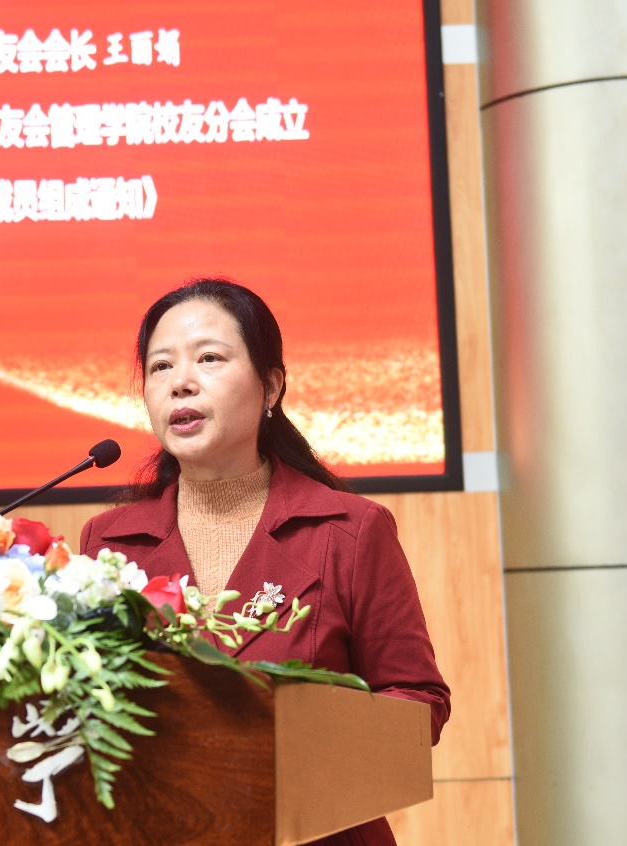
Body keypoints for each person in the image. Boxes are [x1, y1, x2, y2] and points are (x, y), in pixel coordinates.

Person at [78, 279, 451, 846]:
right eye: (160, 366)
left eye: (209, 358)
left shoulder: (349, 531)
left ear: (270, 385)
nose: (180, 382)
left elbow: (416, 701)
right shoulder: (109, 543)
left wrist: (295, 756)